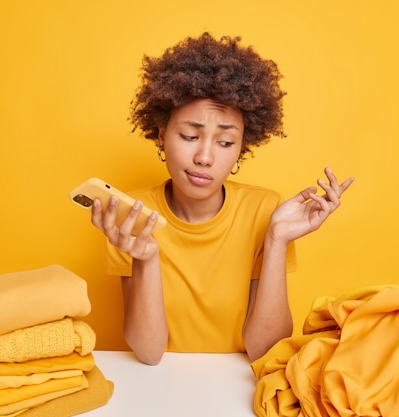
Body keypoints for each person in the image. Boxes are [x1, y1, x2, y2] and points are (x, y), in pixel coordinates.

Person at [90, 32, 354, 365]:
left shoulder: (264, 211)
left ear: (241, 149)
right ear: (161, 133)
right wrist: (145, 258)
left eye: (225, 143)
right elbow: (148, 352)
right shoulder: (132, 215)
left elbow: (266, 352)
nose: (204, 157)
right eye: (189, 135)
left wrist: (276, 240)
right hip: (160, 386)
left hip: (239, 389)